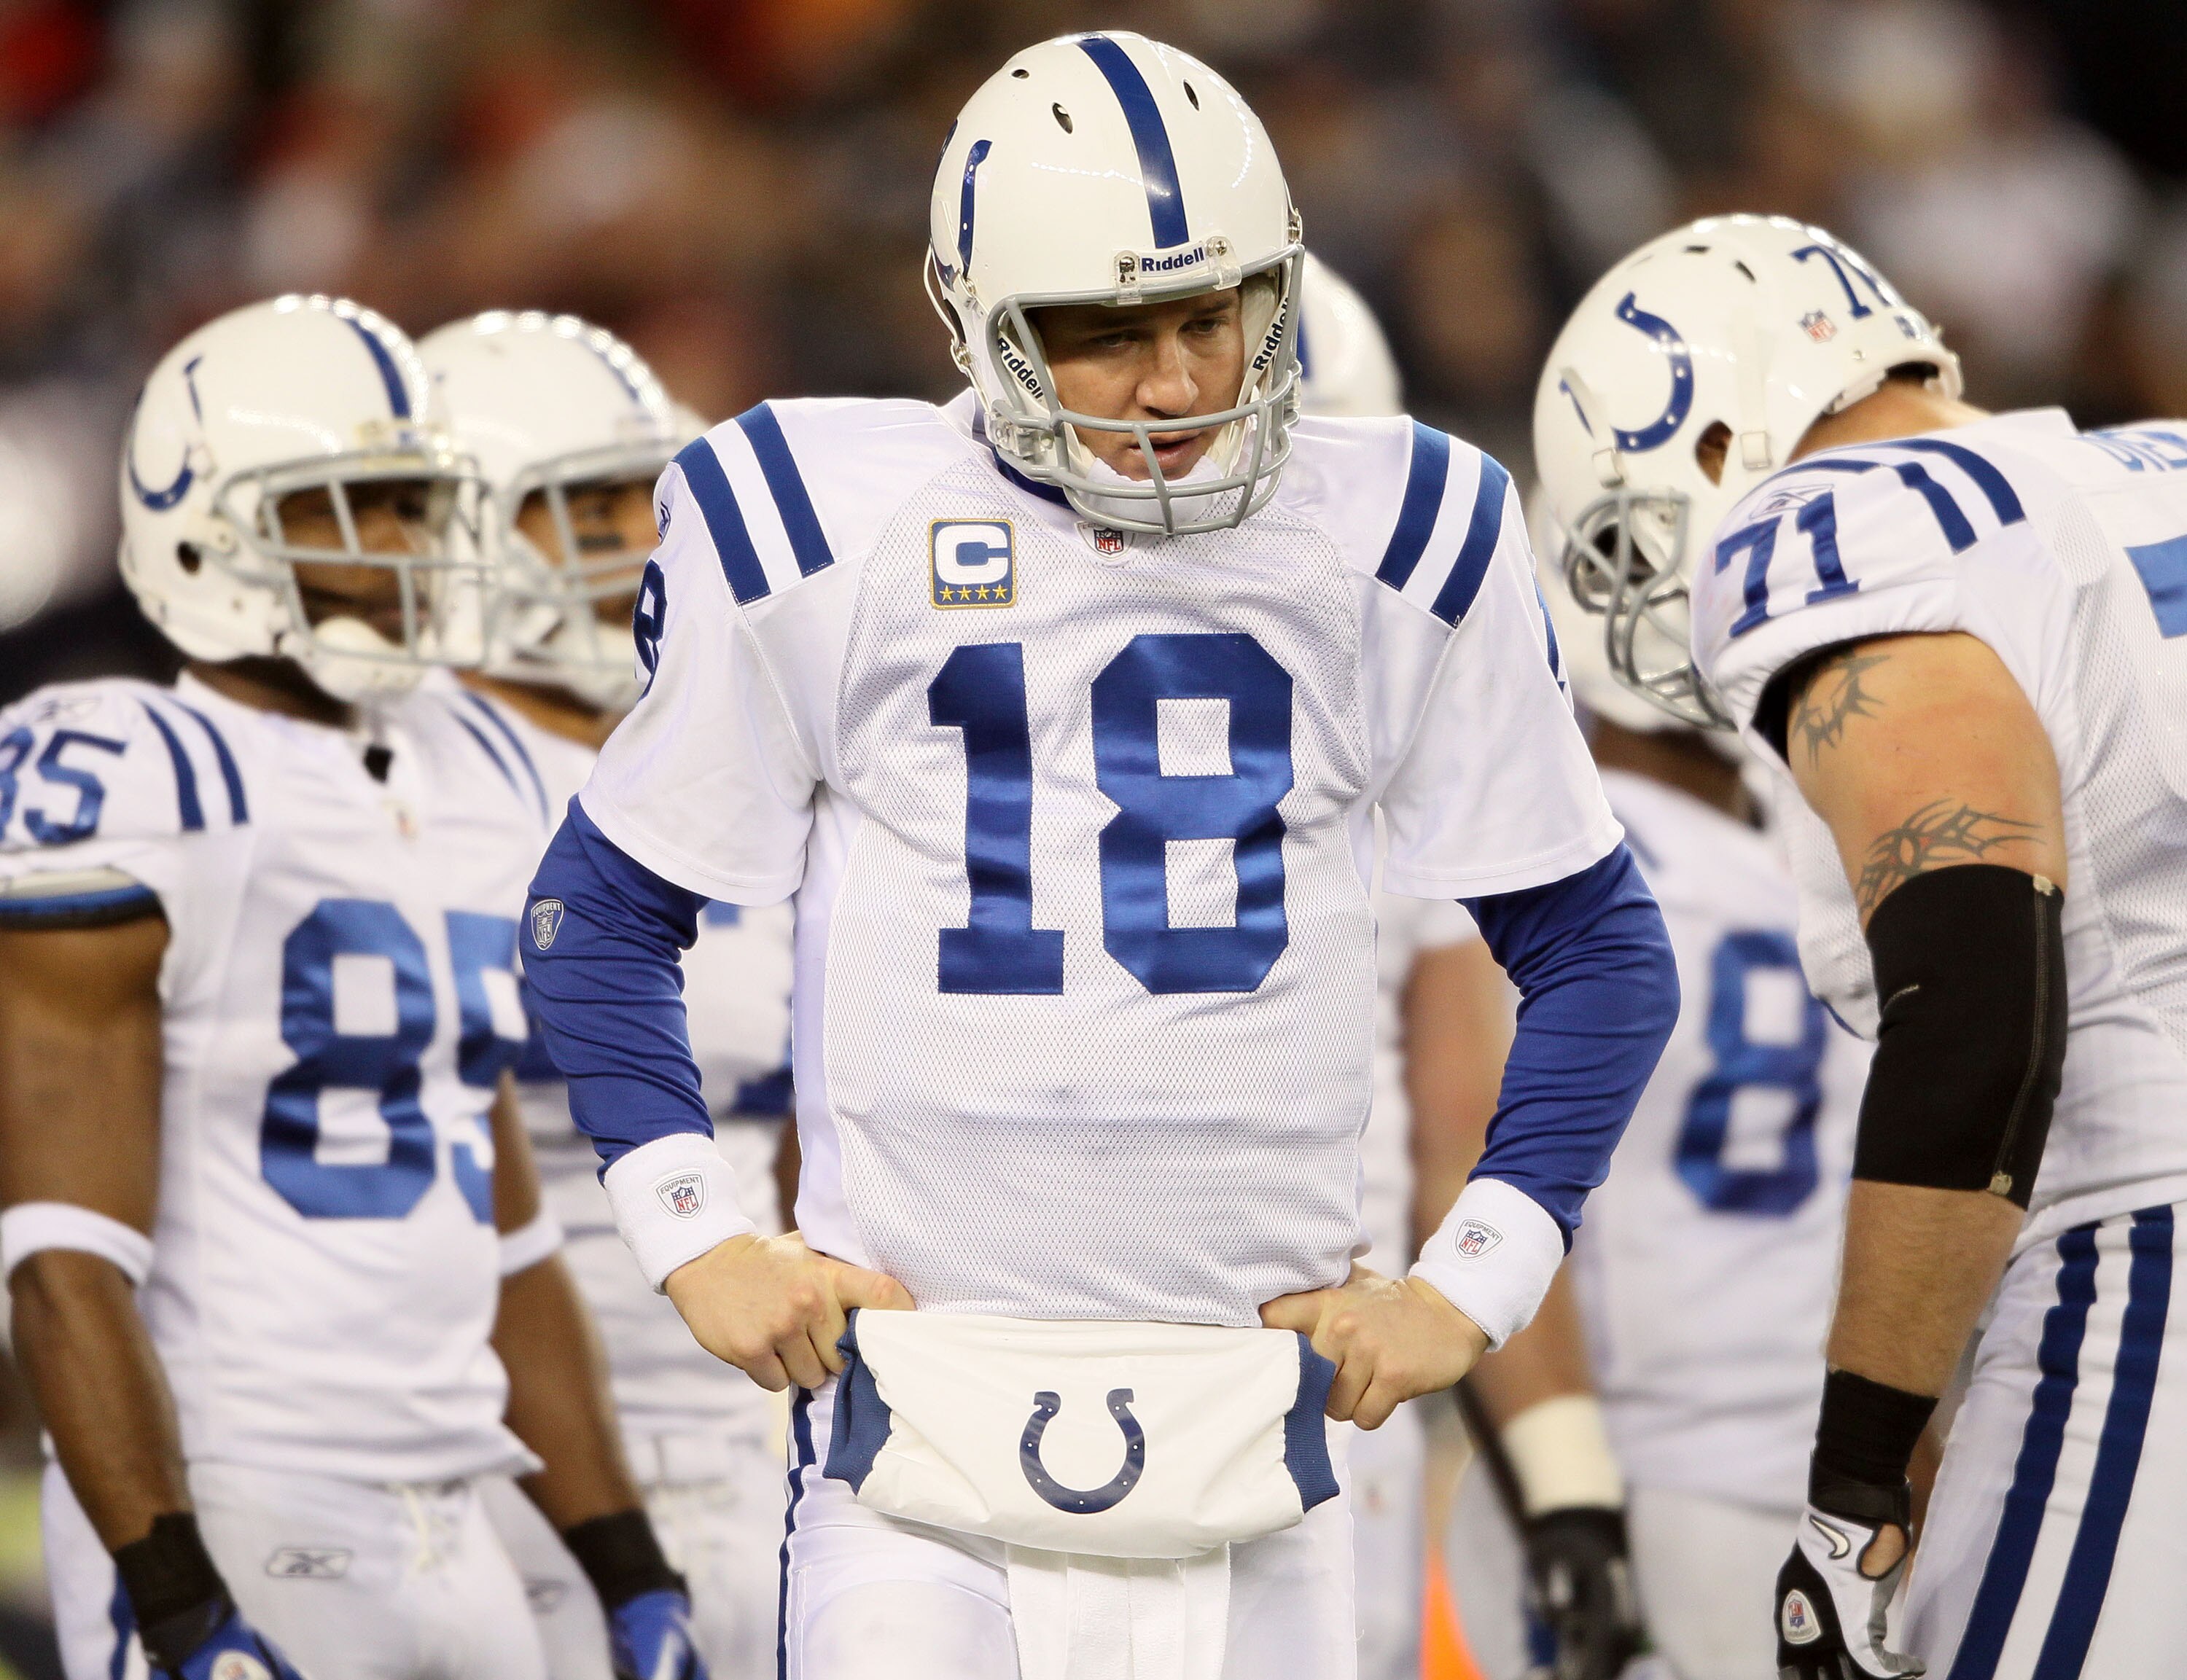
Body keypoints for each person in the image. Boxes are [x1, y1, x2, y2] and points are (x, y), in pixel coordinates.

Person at [523, 33, 1679, 1680]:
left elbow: (1601, 948)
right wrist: (692, 1226)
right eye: (1108, 334)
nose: (1177, 383)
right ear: (976, 324)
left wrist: (1469, 1281)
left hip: (1259, 1434)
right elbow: (596, 917)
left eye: (1212, 317)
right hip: (920, 1432)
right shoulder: (817, 516)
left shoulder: (1407, 529)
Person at [0, 295, 702, 1680]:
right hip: (239, 1482)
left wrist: (625, 1557)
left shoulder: (480, 767)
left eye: (420, 507)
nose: (406, 550)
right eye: (360, 508)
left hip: (459, 1500)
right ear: (208, 526)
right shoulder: (142, 775)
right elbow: (62, 1256)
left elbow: (501, 1220)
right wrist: (175, 1590)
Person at [1537, 211, 2187, 1679]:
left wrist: (1855, 1489)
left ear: (1709, 447)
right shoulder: (2150, 465)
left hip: (2150, 1244)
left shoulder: (1830, 523)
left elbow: (1973, 997)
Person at [420, 308, 798, 1679]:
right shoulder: (401, 783)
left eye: (639, 505)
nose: (627, 548)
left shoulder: (750, 757)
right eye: (573, 507)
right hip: (482, 1460)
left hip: (750, 1439)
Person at [1529, 519, 1870, 1679]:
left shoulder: (1557, 869)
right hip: (1818, 1459)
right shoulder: (1820, 864)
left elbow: (1470, 1169)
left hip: (1633, 1460)